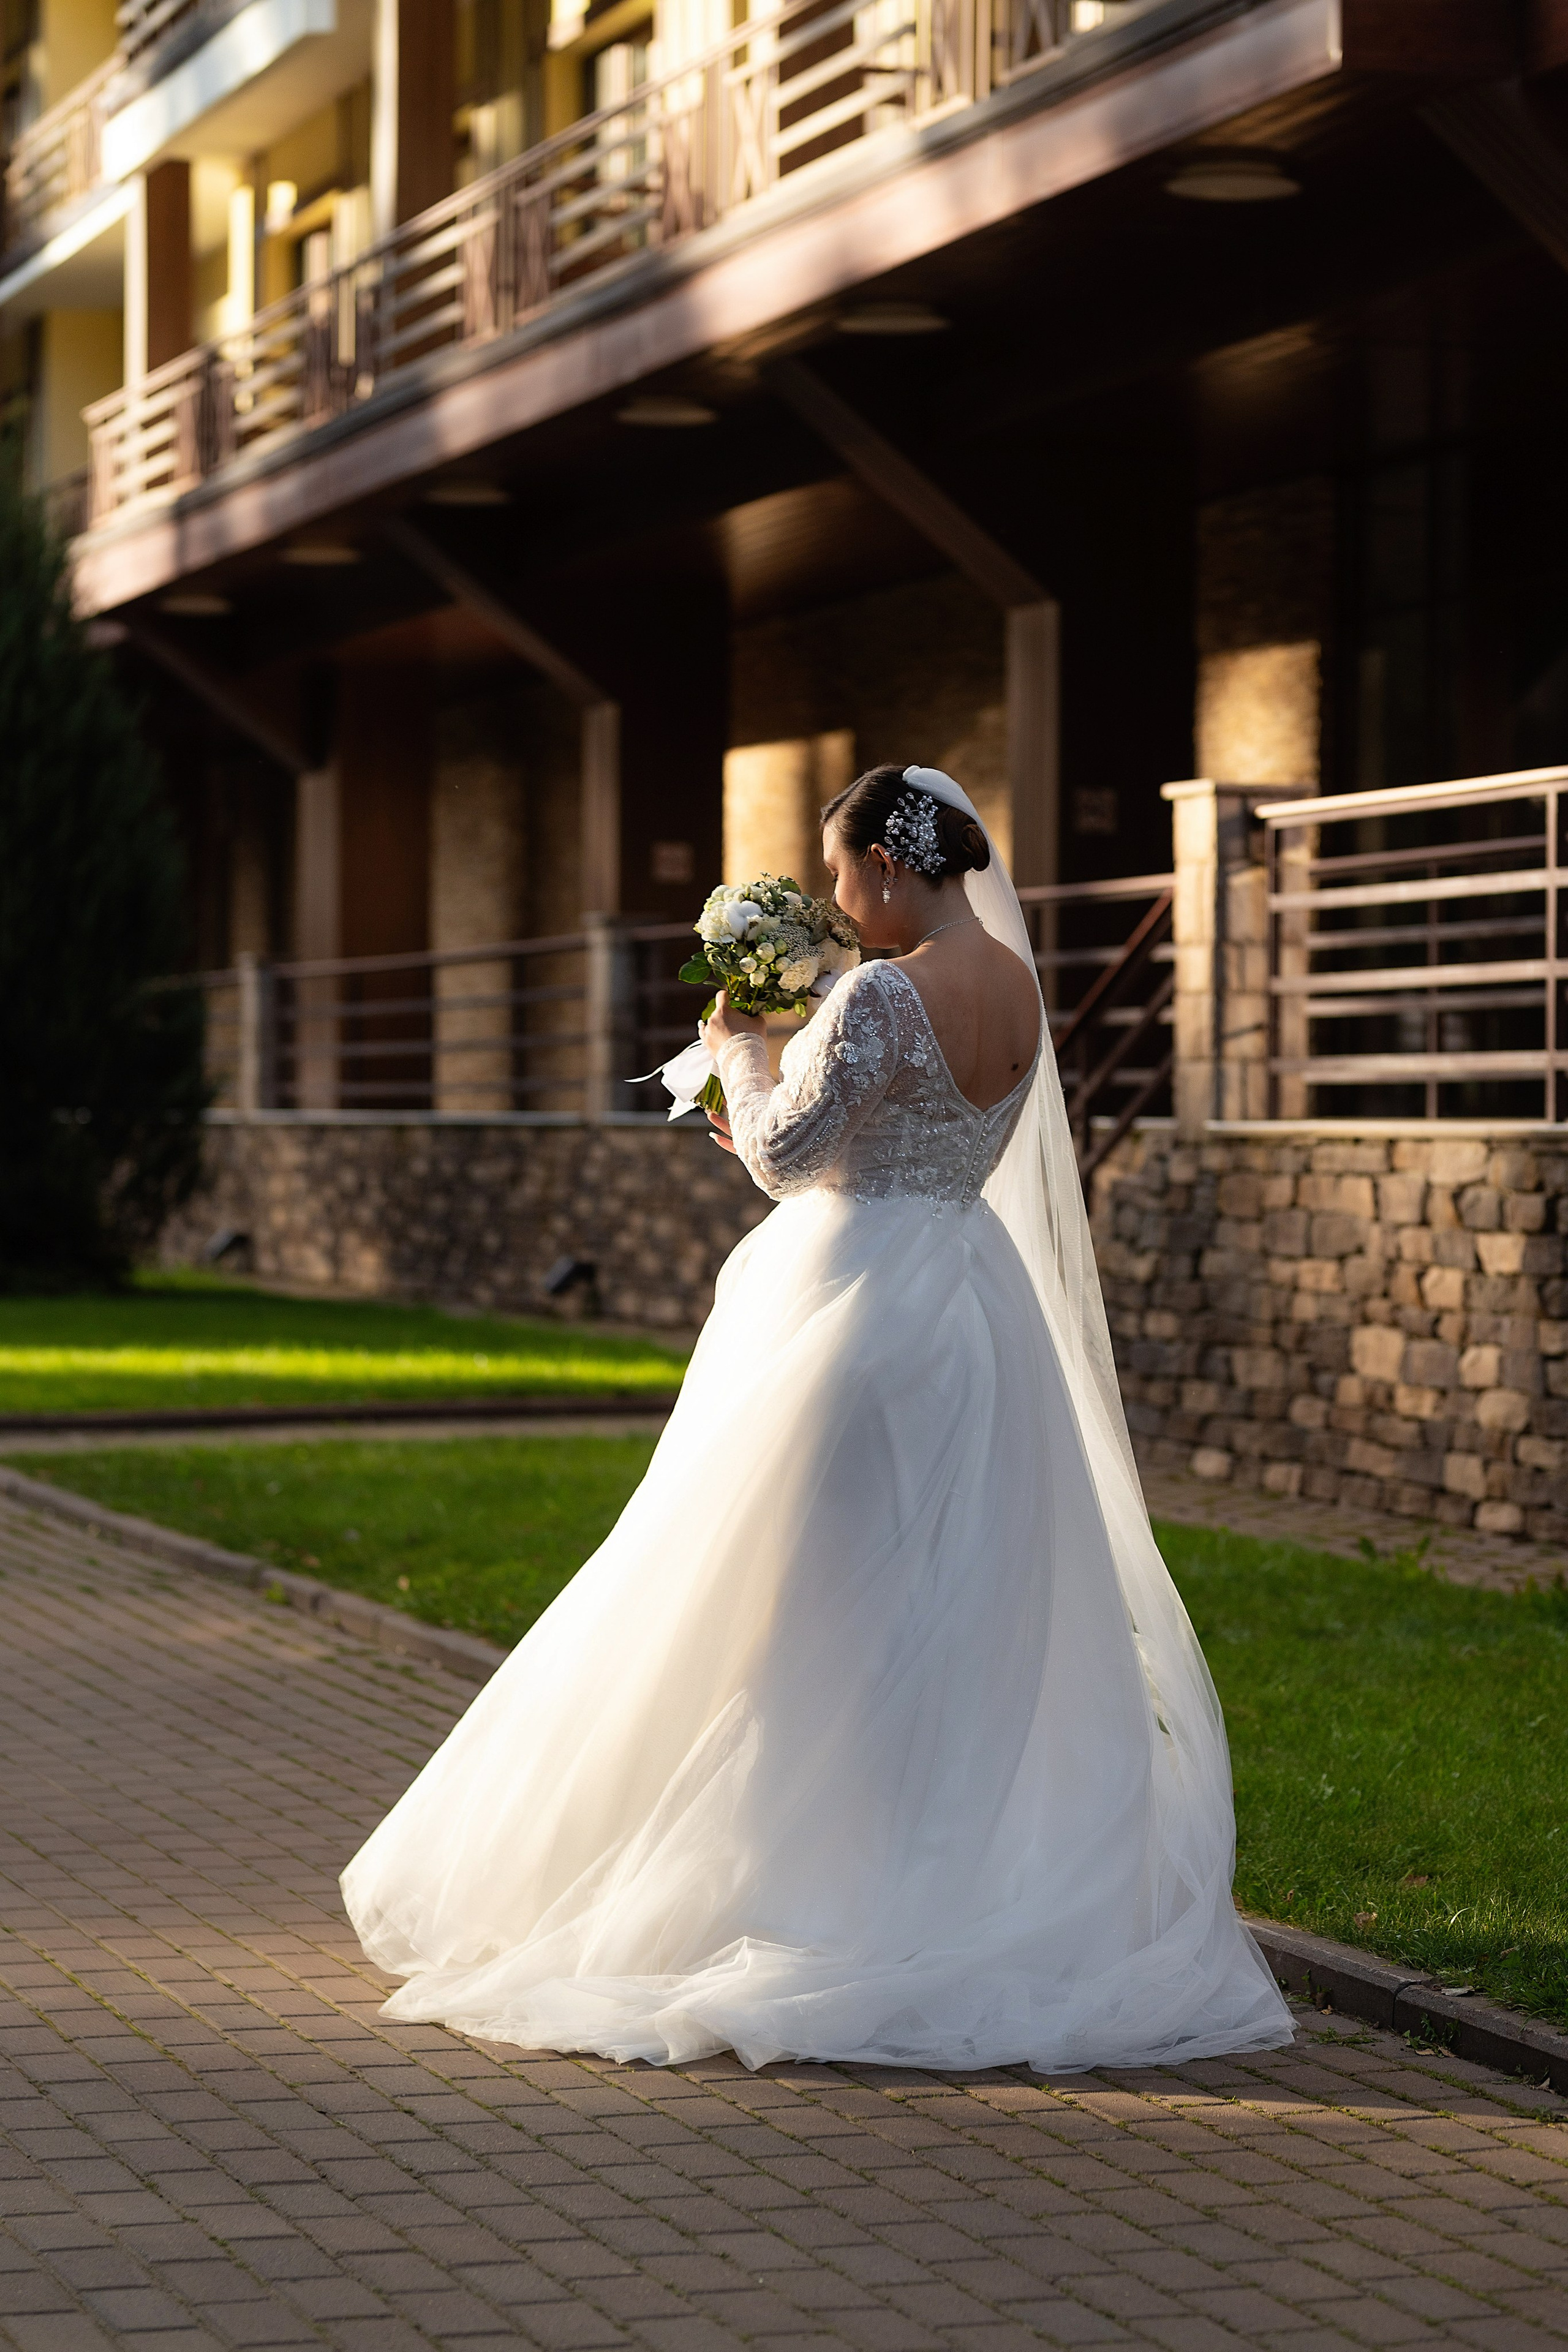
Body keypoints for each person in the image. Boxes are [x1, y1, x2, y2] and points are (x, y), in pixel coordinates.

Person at [341, 763, 1292, 2072]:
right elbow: (943, 1134)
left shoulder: (884, 994)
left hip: (857, 1317)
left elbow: (789, 1163)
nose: (839, 897)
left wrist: (733, 1054)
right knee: (956, 1601)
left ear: (889, 868)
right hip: (974, 1309)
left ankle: (802, 1887)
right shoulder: (1015, 987)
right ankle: (937, 1878)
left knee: (798, 1601)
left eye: (844, 871)